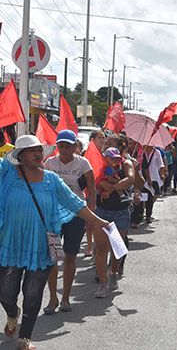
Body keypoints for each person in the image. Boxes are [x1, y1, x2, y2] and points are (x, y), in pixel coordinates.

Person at [0, 135, 110, 350]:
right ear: (20, 156)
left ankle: (25, 338)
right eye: (33, 151)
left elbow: (75, 203)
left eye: (40, 150)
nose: (39, 154)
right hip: (10, 245)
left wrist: (98, 221)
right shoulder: (7, 175)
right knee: (5, 293)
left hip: (41, 246)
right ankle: (13, 313)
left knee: (32, 293)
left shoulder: (51, 180)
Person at [42, 130, 96, 314]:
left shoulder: (83, 163)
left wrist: (91, 217)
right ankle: (52, 298)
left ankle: (65, 298)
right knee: (53, 257)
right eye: (61, 145)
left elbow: (92, 191)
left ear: (75, 146)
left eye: (68, 145)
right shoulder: (49, 163)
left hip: (75, 214)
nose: (64, 149)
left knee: (70, 256)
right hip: (53, 216)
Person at [94, 147, 135, 297]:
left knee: (117, 248)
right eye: (111, 158)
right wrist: (105, 185)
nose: (115, 161)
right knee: (100, 249)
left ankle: (113, 272)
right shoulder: (99, 168)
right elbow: (96, 182)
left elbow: (130, 180)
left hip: (121, 213)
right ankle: (103, 284)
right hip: (102, 212)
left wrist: (111, 188)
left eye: (117, 158)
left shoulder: (125, 166)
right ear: (104, 158)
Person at [141, 144, 165, 224]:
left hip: (154, 177)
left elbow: (160, 164)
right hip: (142, 177)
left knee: (153, 196)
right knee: (144, 196)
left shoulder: (157, 152)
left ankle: (148, 215)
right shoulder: (141, 151)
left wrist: (162, 174)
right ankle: (143, 213)